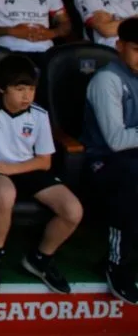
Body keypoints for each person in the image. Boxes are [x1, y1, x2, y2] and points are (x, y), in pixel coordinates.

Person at [0, 54, 83, 294]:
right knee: (5, 194)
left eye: (30, 89)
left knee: (73, 211)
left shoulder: (39, 114)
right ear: (2, 88)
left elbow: (44, 161)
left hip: (27, 167)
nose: (26, 96)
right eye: (19, 89)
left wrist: (14, 168)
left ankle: (40, 258)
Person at [81, 17, 138, 304]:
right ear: (119, 46)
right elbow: (116, 140)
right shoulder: (107, 80)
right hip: (102, 162)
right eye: (137, 49)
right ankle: (118, 265)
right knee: (133, 179)